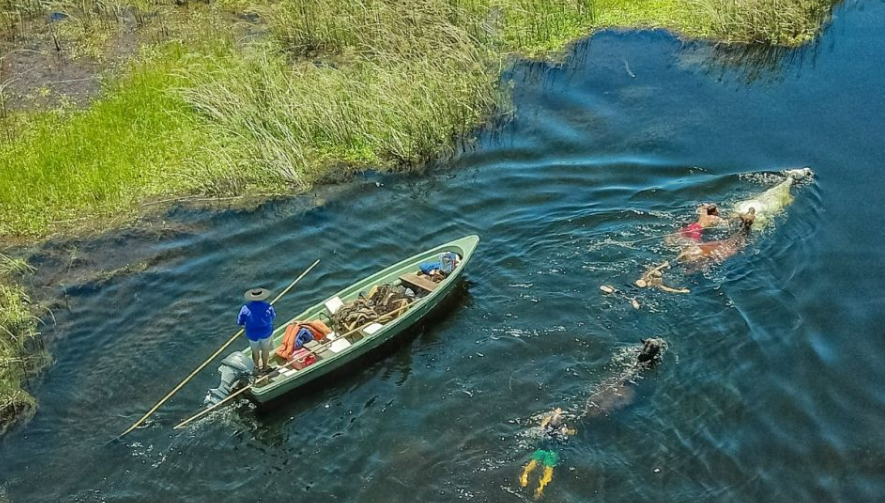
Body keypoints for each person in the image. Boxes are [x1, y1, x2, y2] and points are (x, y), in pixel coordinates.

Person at [237, 288, 276, 374]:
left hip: (252, 335)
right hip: (266, 333)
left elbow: (240, 322)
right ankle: (265, 367)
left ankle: (257, 368)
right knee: (265, 350)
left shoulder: (245, 308)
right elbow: (273, 317)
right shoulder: (268, 306)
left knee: (255, 352)